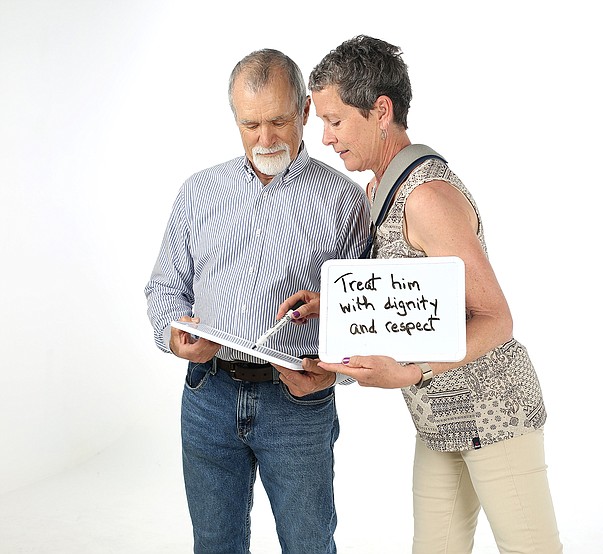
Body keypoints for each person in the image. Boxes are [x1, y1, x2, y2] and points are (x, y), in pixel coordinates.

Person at [274, 36, 563, 553]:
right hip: (437, 420)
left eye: (335, 121)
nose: (325, 138)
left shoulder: (427, 197)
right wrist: (335, 307)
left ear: (381, 111)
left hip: (495, 413)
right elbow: (403, 303)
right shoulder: (376, 188)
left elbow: (496, 319)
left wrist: (412, 371)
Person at [144, 48, 370, 554]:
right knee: (215, 545)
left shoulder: (346, 202)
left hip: (298, 404)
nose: (264, 140)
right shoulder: (198, 193)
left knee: (309, 544)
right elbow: (164, 288)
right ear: (235, 120)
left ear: (306, 112)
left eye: (278, 121)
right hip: (208, 394)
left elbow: (365, 319)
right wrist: (174, 336)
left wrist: (337, 373)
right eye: (250, 125)